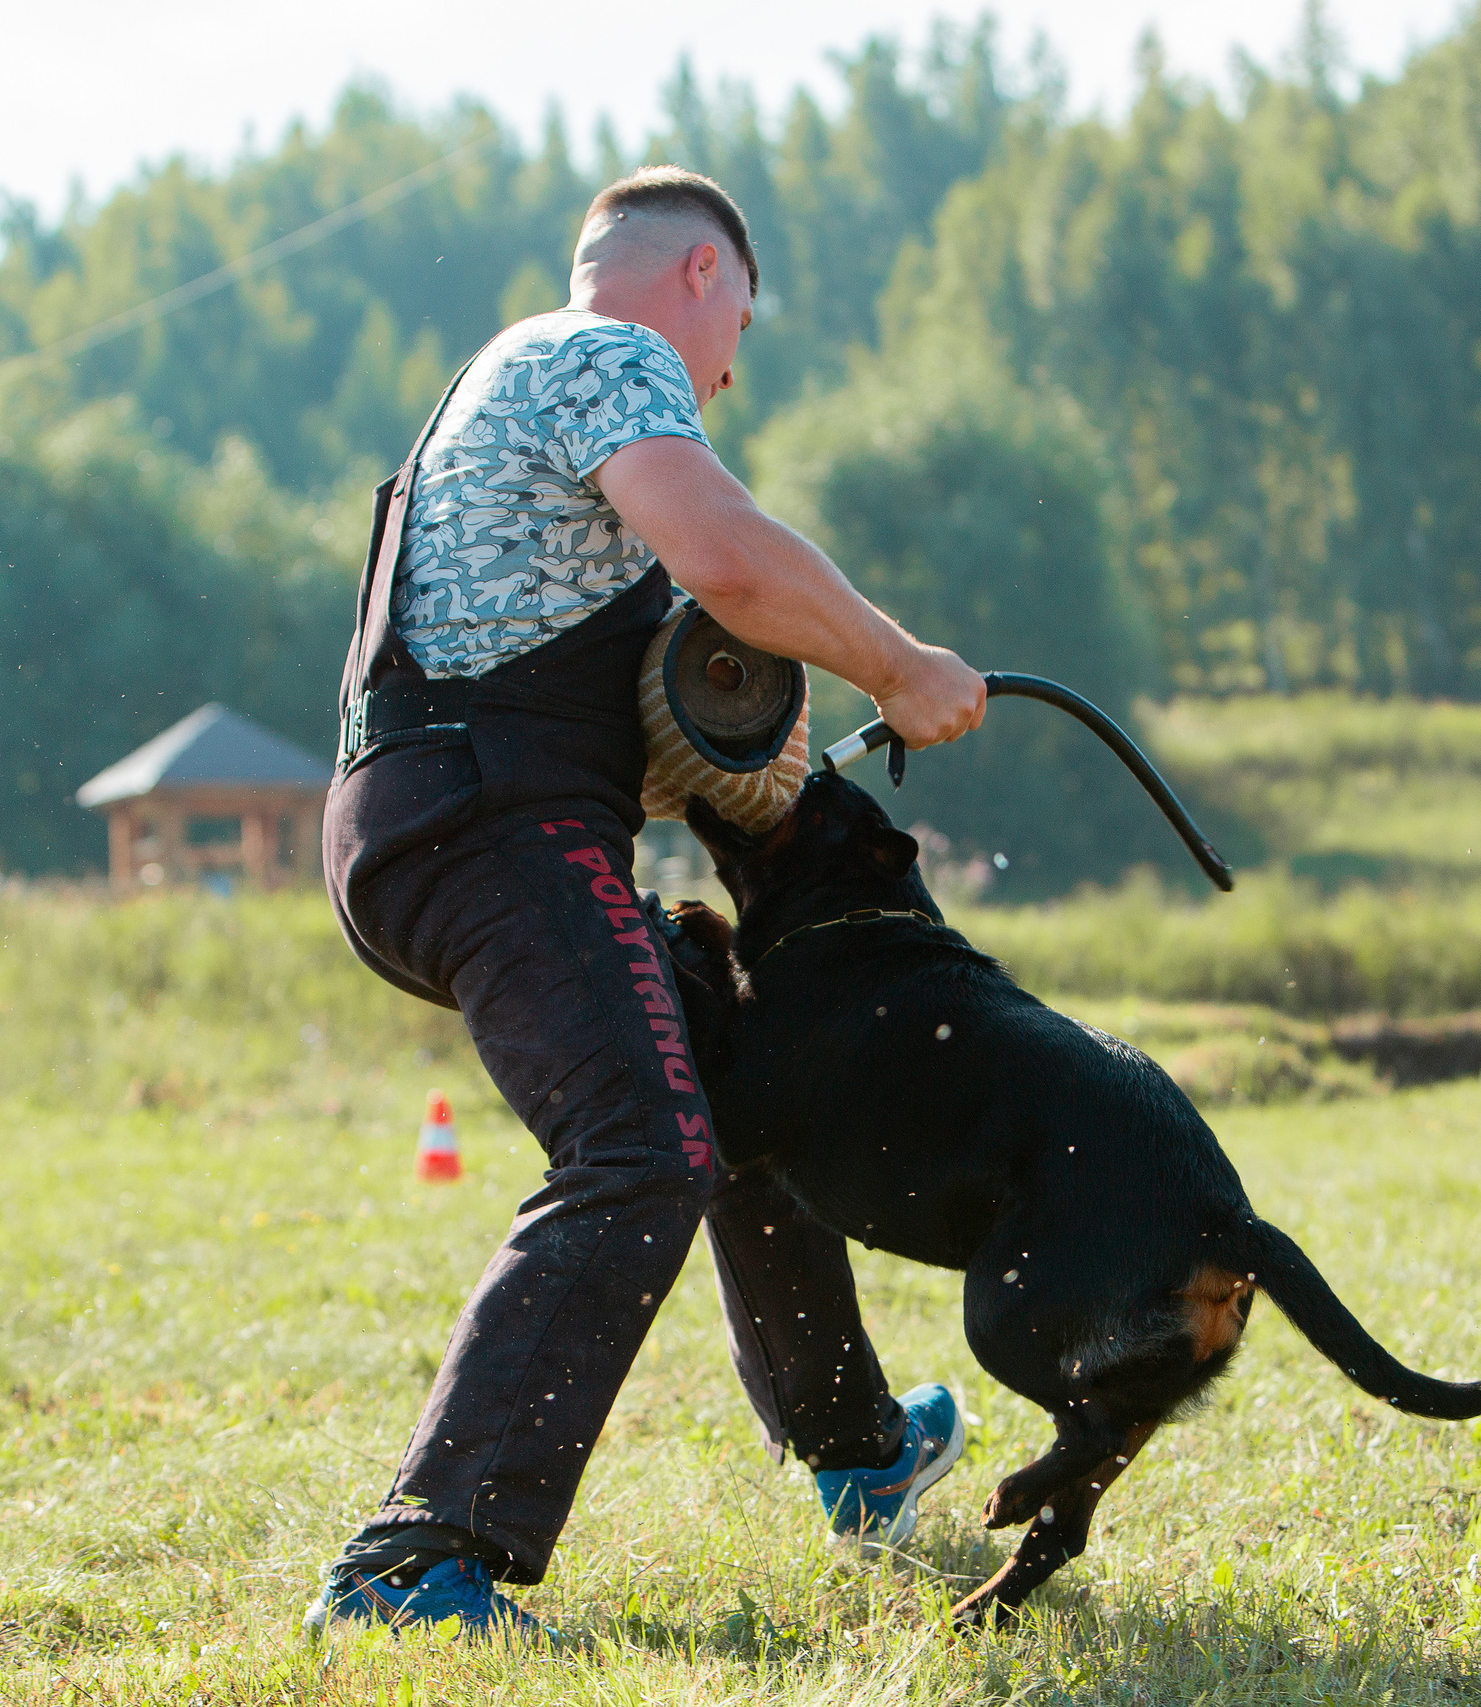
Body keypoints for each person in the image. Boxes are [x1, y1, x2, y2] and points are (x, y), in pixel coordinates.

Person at [307, 166, 989, 1641]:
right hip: (486, 821)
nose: (730, 368)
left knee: (724, 1081)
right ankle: (413, 1563)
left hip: (441, 812)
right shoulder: (603, 351)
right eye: (740, 322)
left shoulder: (514, 391)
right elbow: (729, 559)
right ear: (699, 275)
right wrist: (900, 666)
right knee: (639, 1147)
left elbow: (643, 682)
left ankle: (861, 1452)